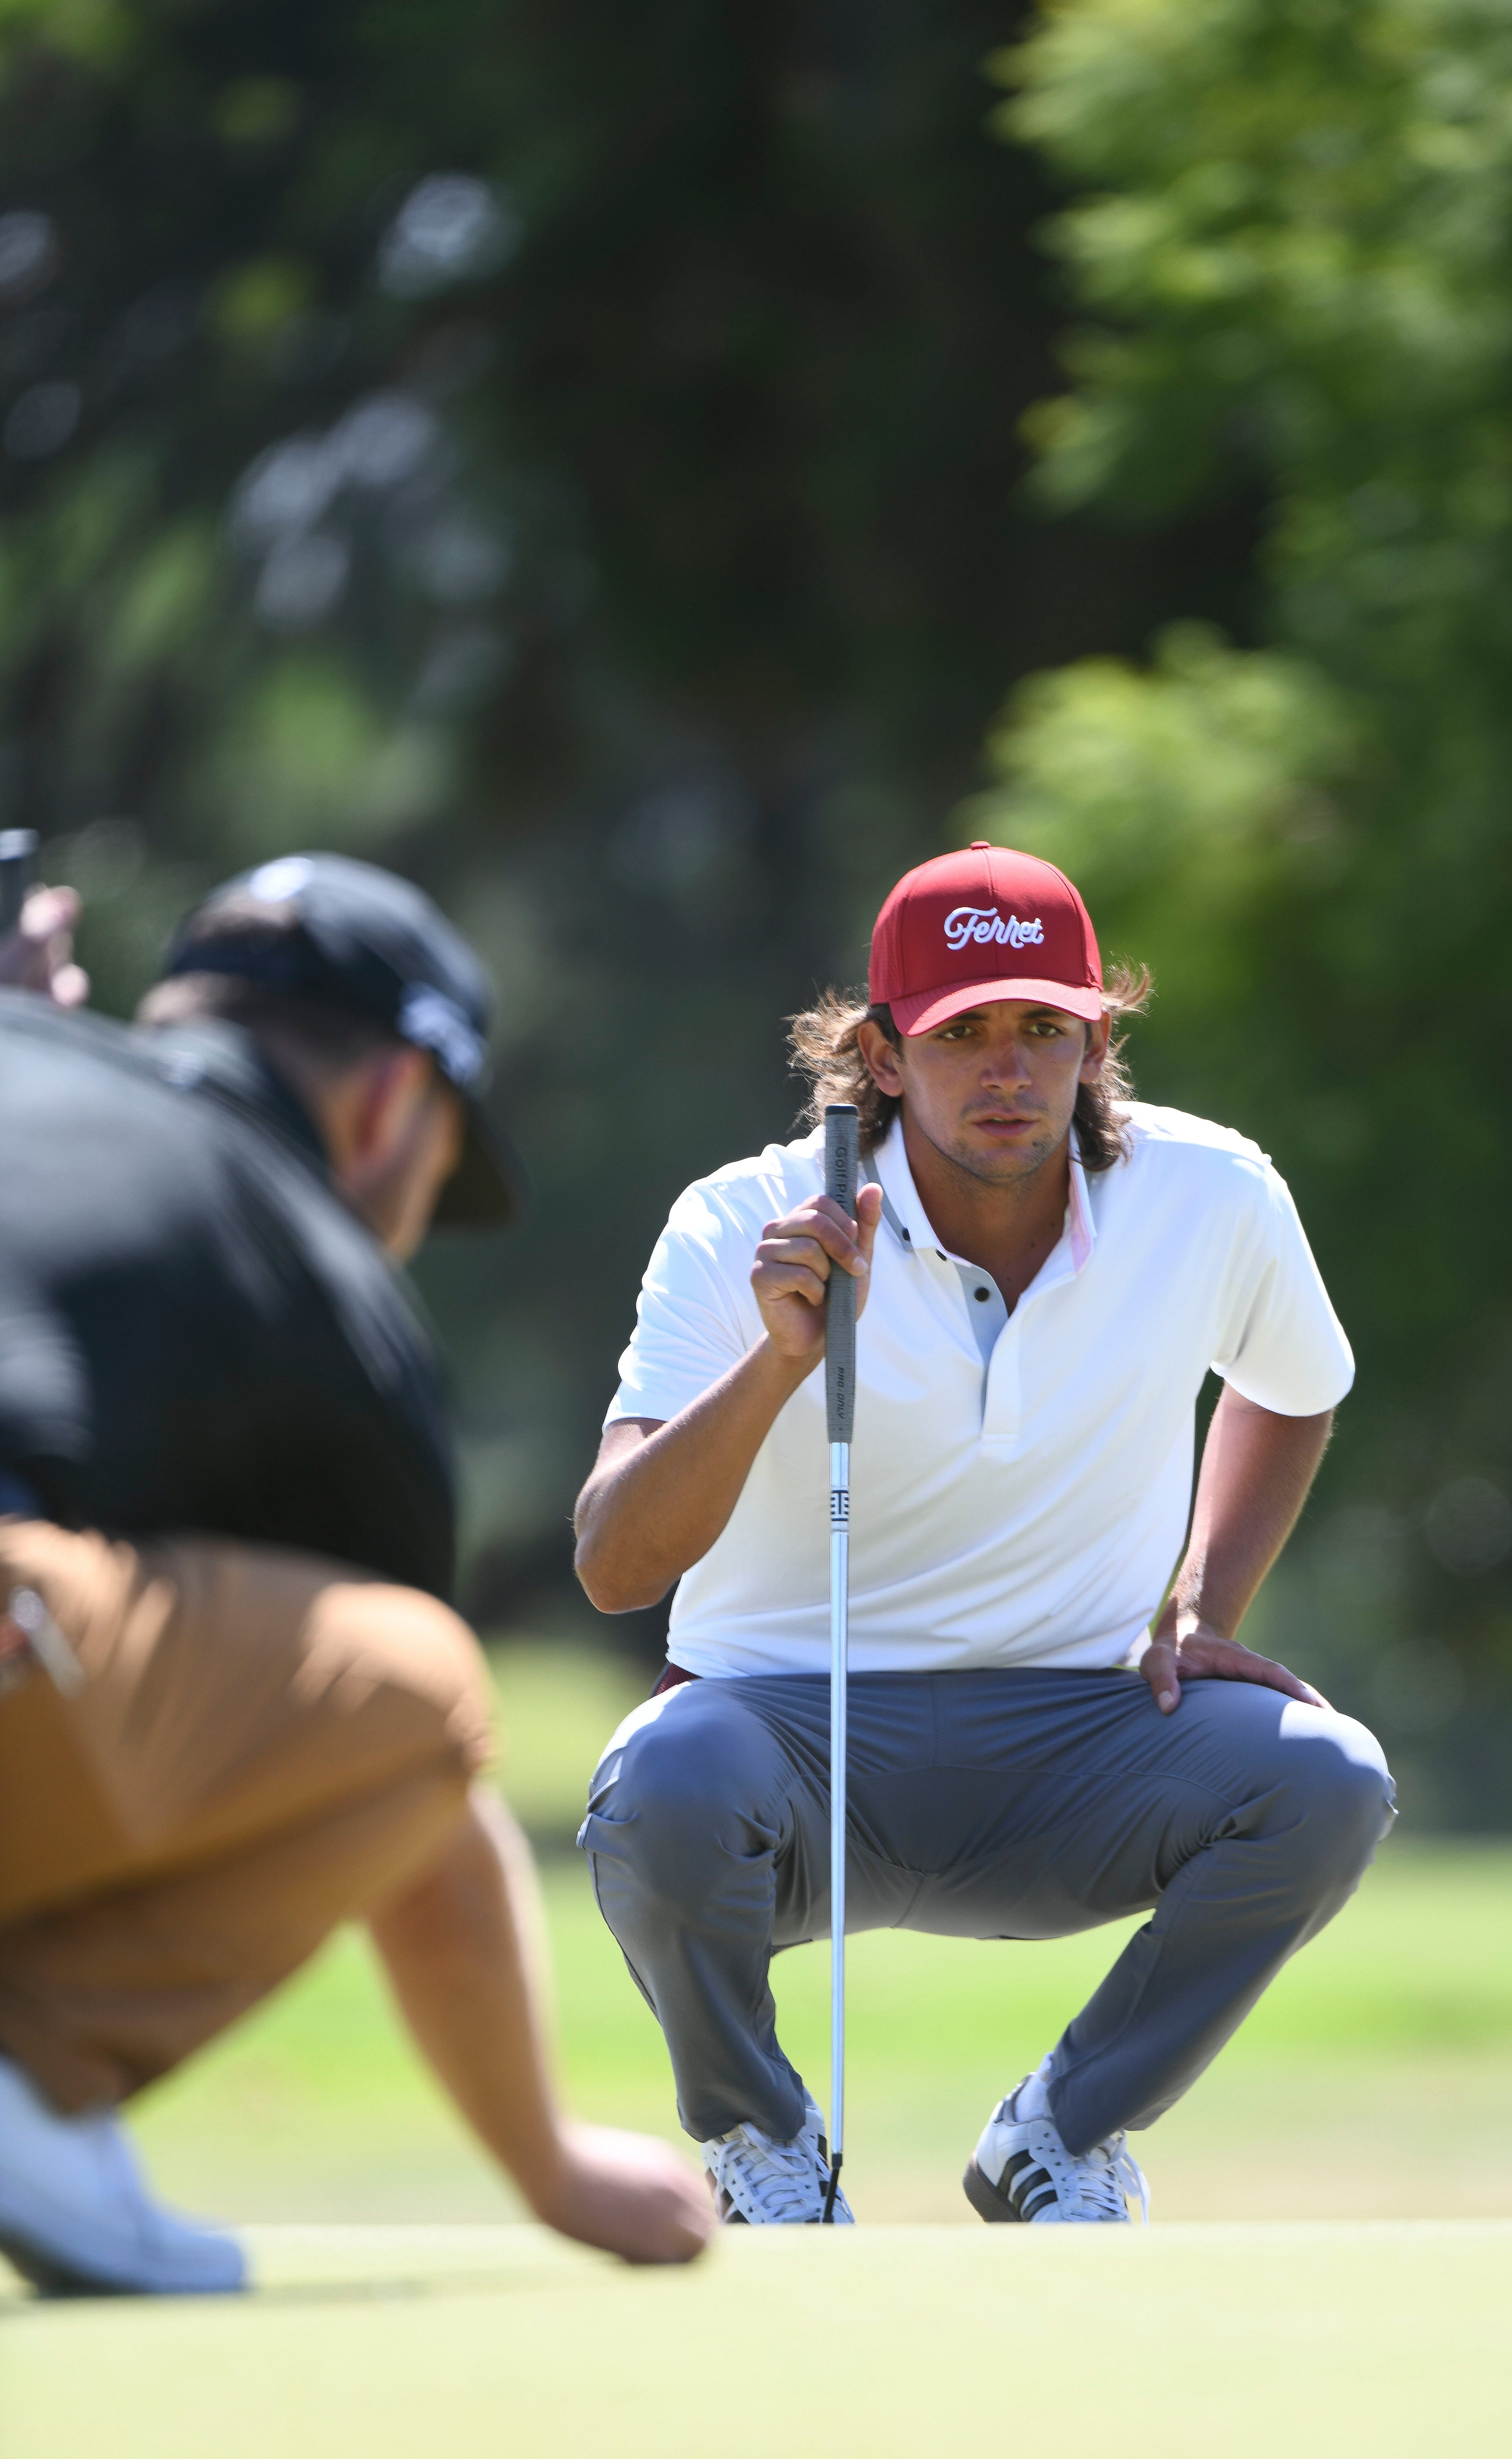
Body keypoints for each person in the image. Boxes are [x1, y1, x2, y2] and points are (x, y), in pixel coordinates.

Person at [572, 841, 1395, 2225]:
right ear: (884, 1056)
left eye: (1043, 1029)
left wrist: (1205, 1604)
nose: (1007, 1070)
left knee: (1328, 1777)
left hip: (1083, 1742)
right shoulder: (737, 1224)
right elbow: (614, 1564)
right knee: (661, 1778)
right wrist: (777, 1360)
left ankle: (1060, 2138)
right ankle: (766, 2146)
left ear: (1096, 1038)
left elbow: (1294, 1386)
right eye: (963, 1033)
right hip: (792, 1745)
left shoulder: (1214, 1193)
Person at [0, 852, 712, 2292]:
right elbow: (412, 1793)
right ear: (394, 1102)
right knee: (420, 1686)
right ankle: (26, 2074)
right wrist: (549, 2163)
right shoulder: (312, 1271)